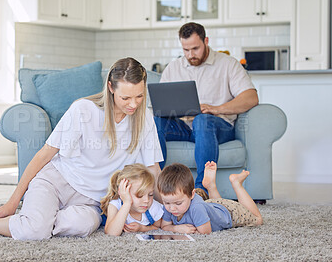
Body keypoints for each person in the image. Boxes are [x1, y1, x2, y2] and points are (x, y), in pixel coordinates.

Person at [0, 57, 163, 240]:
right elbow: (45, 154)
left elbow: (153, 169)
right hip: (56, 182)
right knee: (34, 232)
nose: (133, 104)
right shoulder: (83, 111)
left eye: (139, 96)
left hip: (91, 200)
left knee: (84, 226)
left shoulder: (145, 119)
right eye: (126, 97)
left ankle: (36, 218)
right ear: (110, 88)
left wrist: (178, 200)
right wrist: (11, 203)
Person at [154, 22, 259, 191]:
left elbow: (251, 97)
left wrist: (216, 109)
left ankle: (202, 188)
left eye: (195, 48)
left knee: (202, 120)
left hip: (218, 126)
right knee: (156, 121)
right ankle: (156, 186)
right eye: (186, 50)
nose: (190, 55)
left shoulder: (228, 64)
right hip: (185, 127)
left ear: (206, 41)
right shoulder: (174, 67)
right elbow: (162, 103)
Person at [157, 162, 263, 234]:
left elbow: (205, 232)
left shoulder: (196, 208)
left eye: (178, 203)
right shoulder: (170, 204)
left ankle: (237, 183)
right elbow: (164, 226)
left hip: (230, 212)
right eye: (167, 203)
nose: (172, 209)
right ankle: (211, 186)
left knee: (258, 220)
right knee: (212, 206)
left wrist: (184, 230)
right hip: (212, 204)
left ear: (191, 195)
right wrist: (176, 228)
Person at [100, 163, 163, 236]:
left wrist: (142, 228)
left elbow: (158, 227)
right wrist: (127, 203)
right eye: (139, 196)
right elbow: (111, 233)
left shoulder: (153, 207)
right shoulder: (115, 205)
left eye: (150, 195)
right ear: (124, 193)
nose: (146, 200)